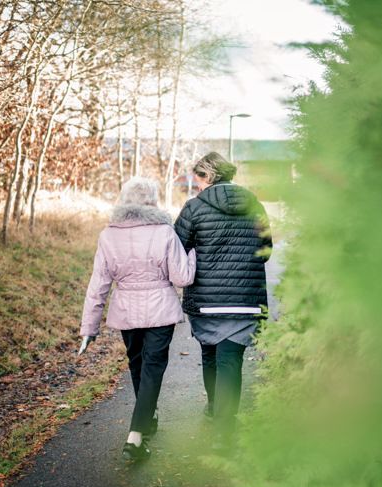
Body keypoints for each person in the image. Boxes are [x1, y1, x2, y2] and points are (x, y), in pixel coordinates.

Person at [79, 177, 195, 461]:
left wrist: (88, 329)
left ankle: (148, 417)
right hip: (160, 311)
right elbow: (183, 277)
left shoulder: (108, 234)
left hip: (127, 311)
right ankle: (135, 436)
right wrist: (192, 254)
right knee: (152, 369)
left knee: (137, 365)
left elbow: (98, 285)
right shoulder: (165, 231)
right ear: (153, 200)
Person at [174, 152, 272, 449]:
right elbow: (265, 250)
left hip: (207, 300)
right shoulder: (255, 205)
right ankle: (224, 431)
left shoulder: (194, 208)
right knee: (231, 361)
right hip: (245, 300)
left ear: (209, 176)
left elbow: (176, 249)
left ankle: (216, 412)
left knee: (211, 356)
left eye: (198, 179)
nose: (196, 185)